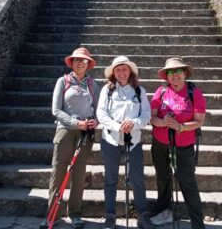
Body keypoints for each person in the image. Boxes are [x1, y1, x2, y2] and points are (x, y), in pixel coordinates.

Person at [96, 56, 155, 229]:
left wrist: (134, 123)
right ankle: (110, 215)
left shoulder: (139, 91)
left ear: (130, 71)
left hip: (133, 141)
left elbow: (145, 114)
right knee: (110, 179)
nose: (121, 73)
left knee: (137, 179)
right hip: (111, 141)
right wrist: (117, 126)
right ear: (113, 72)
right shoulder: (107, 90)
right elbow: (101, 114)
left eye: (124, 69)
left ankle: (142, 215)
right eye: (118, 69)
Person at [150, 57, 206, 229]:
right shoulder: (160, 91)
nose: (174, 75)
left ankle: (197, 224)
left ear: (184, 73)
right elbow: (152, 118)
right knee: (162, 178)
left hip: (184, 145)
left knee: (187, 182)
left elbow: (199, 121)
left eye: (178, 72)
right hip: (160, 143)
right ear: (166, 76)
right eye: (170, 72)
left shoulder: (194, 93)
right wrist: (163, 122)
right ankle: (164, 212)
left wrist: (180, 126)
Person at [47, 47, 100, 228]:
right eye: (77, 60)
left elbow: (99, 111)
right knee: (59, 171)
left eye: (84, 60)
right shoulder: (63, 81)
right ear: (72, 62)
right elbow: (56, 110)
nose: (80, 63)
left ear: (88, 64)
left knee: (79, 173)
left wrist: (95, 121)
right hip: (65, 131)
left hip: (85, 133)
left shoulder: (93, 85)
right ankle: (52, 213)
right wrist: (74, 122)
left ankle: (75, 213)